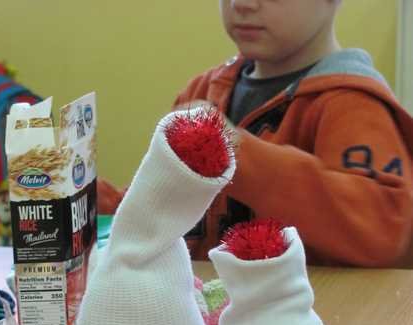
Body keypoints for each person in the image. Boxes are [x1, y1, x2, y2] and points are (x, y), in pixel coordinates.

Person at [99, 0, 413, 267]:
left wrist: (234, 149)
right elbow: (153, 210)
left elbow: (384, 232)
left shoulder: (352, 105)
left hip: (315, 315)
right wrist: (94, 202)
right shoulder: (203, 91)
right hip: (204, 313)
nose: (242, 4)